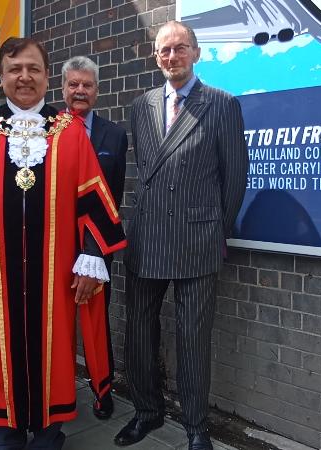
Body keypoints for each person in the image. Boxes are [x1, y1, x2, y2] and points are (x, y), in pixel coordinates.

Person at [0, 37, 126, 450]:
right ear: (2, 77)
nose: (24, 77)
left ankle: (50, 432)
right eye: (14, 69)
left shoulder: (69, 132)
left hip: (56, 280)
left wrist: (90, 256)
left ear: (47, 76)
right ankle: (6, 431)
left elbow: (93, 199)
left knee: (56, 352)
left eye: (33, 68)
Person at [115, 20, 249, 450]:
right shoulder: (143, 105)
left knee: (193, 338)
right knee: (138, 330)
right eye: (163, 51)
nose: (171, 57)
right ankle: (146, 411)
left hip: (197, 241)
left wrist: (215, 230)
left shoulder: (222, 104)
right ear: (156, 58)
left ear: (195, 52)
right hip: (148, 235)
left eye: (179, 49)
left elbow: (235, 179)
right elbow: (148, 171)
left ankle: (196, 427)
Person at [60, 55, 128, 421]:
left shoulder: (114, 136)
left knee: (97, 321)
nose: (80, 90)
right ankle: (60, 386)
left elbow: (112, 198)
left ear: (97, 91)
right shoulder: (47, 129)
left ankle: (103, 390)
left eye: (87, 85)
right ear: (64, 89)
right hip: (54, 246)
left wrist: (98, 250)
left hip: (96, 246)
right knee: (57, 321)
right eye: (74, 84)